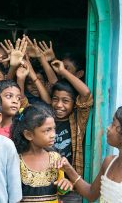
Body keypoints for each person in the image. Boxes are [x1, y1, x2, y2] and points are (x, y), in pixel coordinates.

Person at [56, 106, 122, 202]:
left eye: (113, 124)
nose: (108, 128)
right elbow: (91, 194)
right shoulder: (109, 162)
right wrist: (68, 169)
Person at [11, 104, 73, 202]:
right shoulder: (17, 161)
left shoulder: (56, 158)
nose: (53, 135)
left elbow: (60, 191)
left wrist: (64, 185)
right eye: (47, 130)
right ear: (28, 135)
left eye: (54, 129)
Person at [51, 59, 93, 202]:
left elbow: (86, 94)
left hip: (71, 187)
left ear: (75, 103)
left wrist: (63, 71)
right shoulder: (46, 117)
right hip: (47, 185)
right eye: (55, 99)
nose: (59, 105)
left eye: (66, 101)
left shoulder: (77, 121)